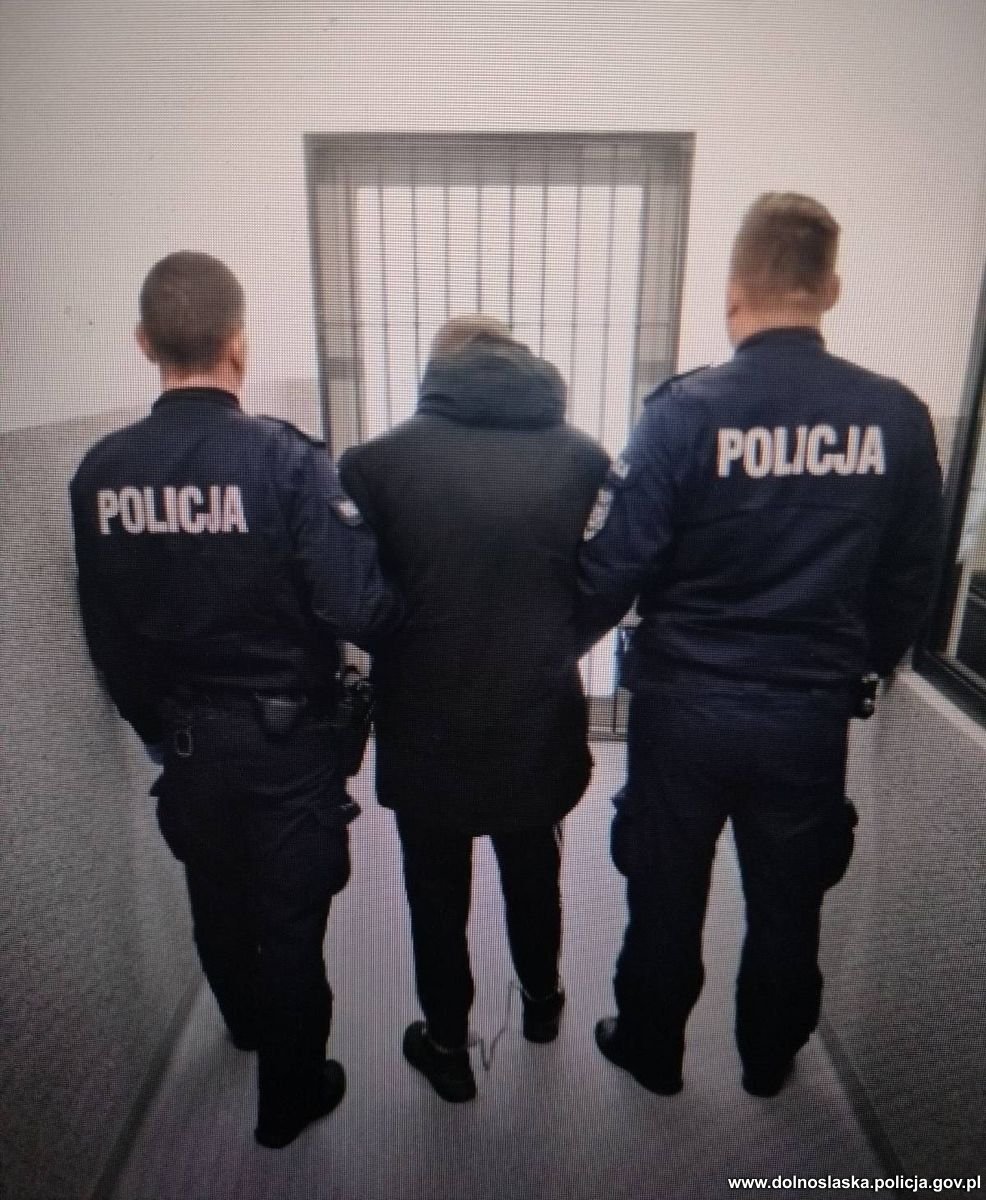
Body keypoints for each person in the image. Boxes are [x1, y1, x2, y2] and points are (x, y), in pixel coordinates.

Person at [578, 194, 943, 1098]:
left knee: (664, 889)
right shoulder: (897, 419)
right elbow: (913, 581)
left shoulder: (681, 413)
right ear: (832, 289)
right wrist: (857, 663)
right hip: (806, 713)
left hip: (683, 710)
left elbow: (613, 567)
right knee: (790, 900)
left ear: (732, 291)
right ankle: (769, 1058)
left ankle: (652, 1047)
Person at [69, 251, 401, 1148]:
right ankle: (290, 1097)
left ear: (144, 343)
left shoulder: (99, 475)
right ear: (239, 345)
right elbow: (358, 607)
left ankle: (246, 1027)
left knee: (214, 897)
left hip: (185, 740)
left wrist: (158, 727)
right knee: (291, 921)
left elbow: (109, 636)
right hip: (289, 741)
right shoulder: (285, 461)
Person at [339, 316, 609, 1102]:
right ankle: (543, 1005)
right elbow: (612, 574)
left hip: (428, 722)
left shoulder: (375, 465)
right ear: (515, 358)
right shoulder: (583, 457)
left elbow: (354, 600)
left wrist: (411, 644)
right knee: (536, 870)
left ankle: (449, 1049)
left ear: (436, 369)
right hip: (537, 714)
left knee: (435, 895)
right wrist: (559, 641)